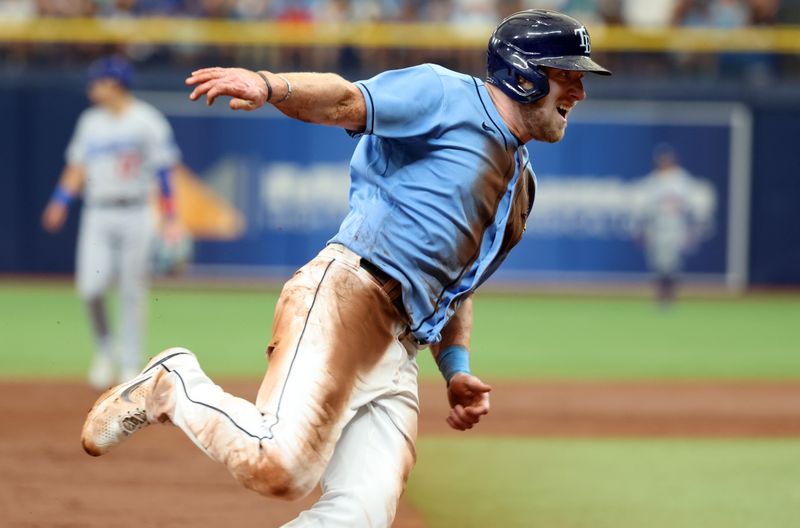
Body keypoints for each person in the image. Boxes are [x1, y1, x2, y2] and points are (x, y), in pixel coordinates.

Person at [81, 10, 610, 527]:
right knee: (280, 468)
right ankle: (174, 382)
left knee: (360, 514)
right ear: (523, 74)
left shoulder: (523, 186)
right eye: (568, 76)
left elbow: (458, 284)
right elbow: (344, 101)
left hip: (403, 348)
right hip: (350, 297)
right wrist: (269, 85)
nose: (580, 92)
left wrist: (456, 367)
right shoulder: (446, 95)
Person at [42, 55, 183, 389]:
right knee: (90, 288)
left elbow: (164, 170)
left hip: (137, 212)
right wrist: (60, 201)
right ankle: (106, 350)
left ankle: (130, 362)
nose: (92, 86)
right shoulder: (90, 122)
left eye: (98, 81)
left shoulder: (147, 121)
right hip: (98, 212)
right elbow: (77, 167)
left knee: (132, 290)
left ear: (115, 84)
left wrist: (172, 216)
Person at [633, 144, 716, 307]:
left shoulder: (682, 180)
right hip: (657, 228)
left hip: (676, 227)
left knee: (672, 264)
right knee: (658, 264)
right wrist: (641, 229)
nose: (664, 163)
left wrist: (695, 227)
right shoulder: (653, 181)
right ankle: (660, 296)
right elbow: (643, 208)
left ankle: (670, 296)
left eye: (667, 160)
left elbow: (696, 204)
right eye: (662, 160)